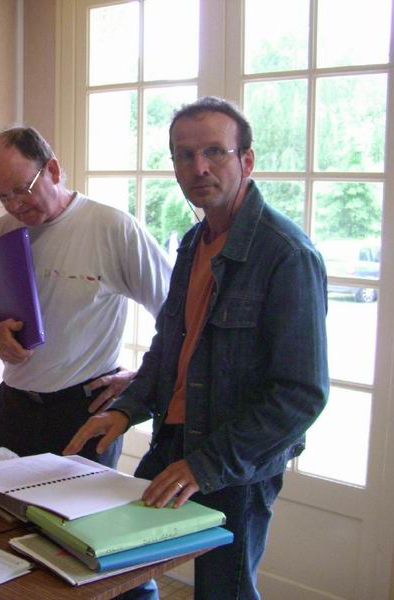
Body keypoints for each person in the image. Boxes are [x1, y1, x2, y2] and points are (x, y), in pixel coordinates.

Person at [65, 97, 329, 599]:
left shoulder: (286, 254)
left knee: (223, 592)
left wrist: (204, 466)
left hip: (236, 465)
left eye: (214, 152)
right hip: (173, 444)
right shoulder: (192, 243)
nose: (198, 167)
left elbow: (301, 394)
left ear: (246, 160)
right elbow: (170, 347)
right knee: (120, 573)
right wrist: (125, 410)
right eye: (184, 155)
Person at [0, 126, 171, 469]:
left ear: (53, 170)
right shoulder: (1, 232)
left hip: (84, 410)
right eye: (3, 196)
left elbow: (178, 315)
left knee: (79, 506)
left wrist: (142, 379)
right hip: (14, 407)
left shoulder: (114, 228)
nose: (14, 205)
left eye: (22, 189)